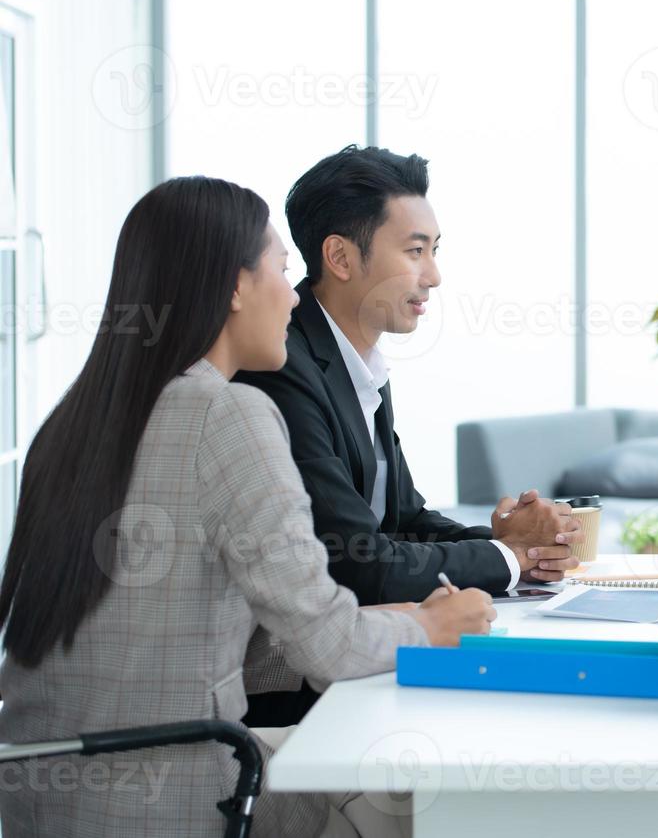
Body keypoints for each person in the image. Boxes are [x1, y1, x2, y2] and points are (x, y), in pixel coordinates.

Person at [0, 177, 496, 838]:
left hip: (46, 793)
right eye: (282, 271)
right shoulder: (227, 413)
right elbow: (327, 649)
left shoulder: (72, 423)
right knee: (424, 793)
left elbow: (180, 636)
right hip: (178, 792)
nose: (293, 297)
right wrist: (431, 630)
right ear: (235, 286)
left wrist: (390, 614)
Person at [236, 146, 577, 725]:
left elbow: (402, 519)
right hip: (291, 689)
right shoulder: (284, 368)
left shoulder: (357, 360)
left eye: (434, 252)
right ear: (341, 257)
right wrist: (508, 559)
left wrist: (514, 544)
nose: (434, 276)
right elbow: (359, 562)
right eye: (415, 251)